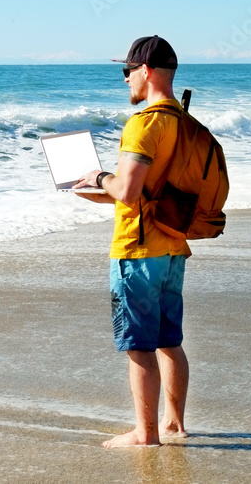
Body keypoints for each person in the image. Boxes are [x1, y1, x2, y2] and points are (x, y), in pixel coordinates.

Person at [74, 35, 191, 448]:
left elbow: (126, 190)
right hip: (172, 245)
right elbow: (147, 188)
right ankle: (174, 423)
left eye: (127, 71)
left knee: (139, 347)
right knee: (169, 340)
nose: (125, 80)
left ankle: (146, 435)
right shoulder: (183, 121)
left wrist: (99, 177)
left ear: (146, 71)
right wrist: (96, 187)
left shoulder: (143, 124)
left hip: (137, 252)